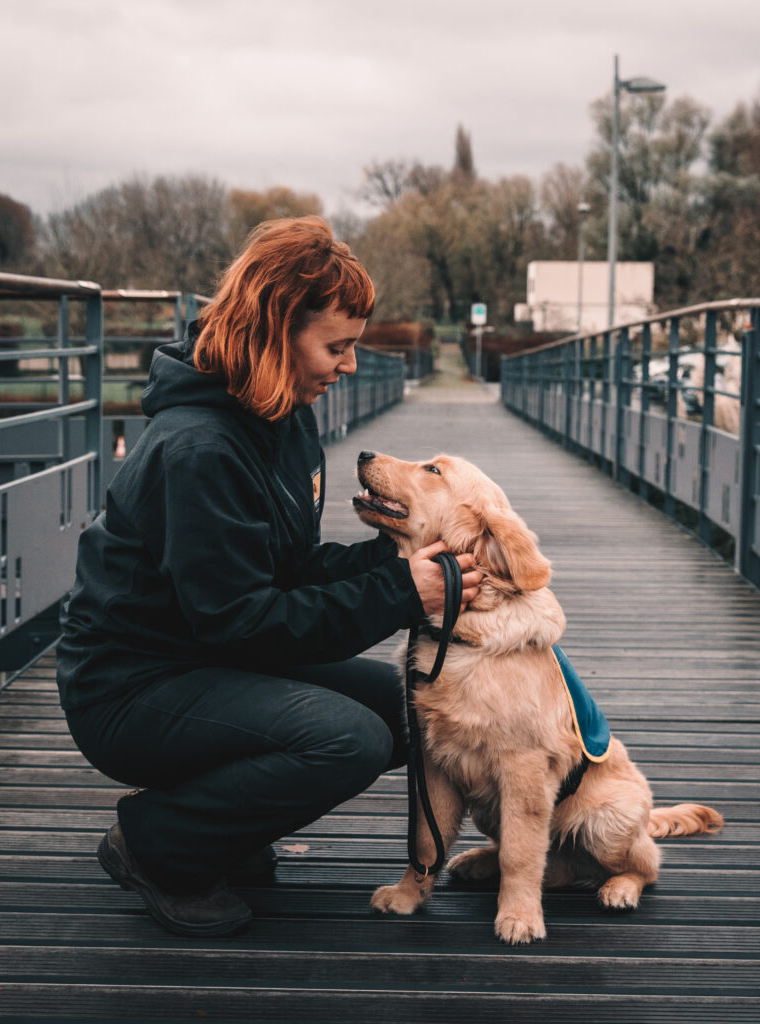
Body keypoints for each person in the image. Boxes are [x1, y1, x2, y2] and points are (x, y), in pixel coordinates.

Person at [56, 216, 481, 937]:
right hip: (128, 687)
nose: (348, 366)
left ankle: (225, 824)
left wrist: (399, 558)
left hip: (206, 657)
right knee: (348, 738)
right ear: (277, 331)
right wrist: (401, 594)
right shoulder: (198, 450)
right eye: (336, 347)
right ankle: (159, 845)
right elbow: (243, 621)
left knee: (409, 708)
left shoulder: (282, 416)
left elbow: (291, 572)